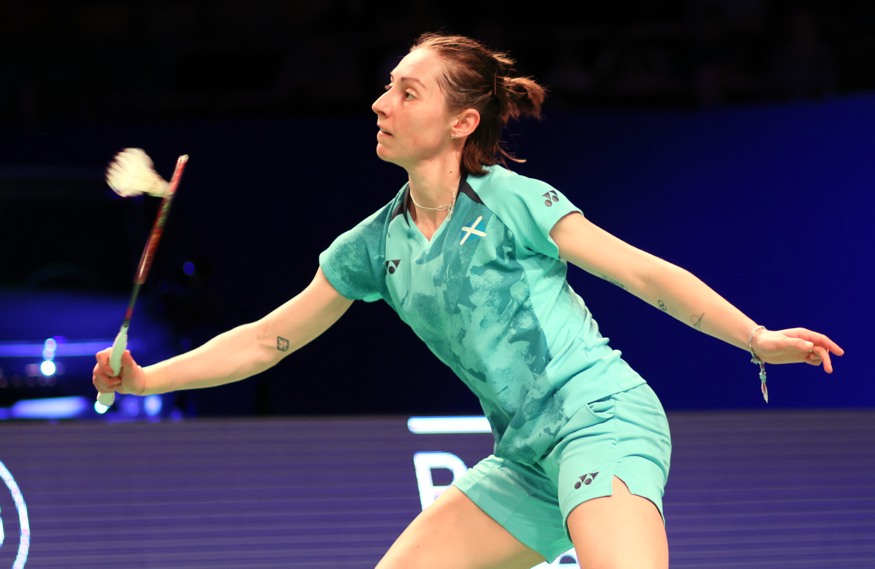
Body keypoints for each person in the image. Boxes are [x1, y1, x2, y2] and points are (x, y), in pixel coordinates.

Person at [93, 32, 844, 569]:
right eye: (387, 85)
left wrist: (754, 336)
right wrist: (147, 378)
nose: (381, 102)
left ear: (462, 123)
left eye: (406, 90)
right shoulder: (372, 247)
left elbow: (639, 272)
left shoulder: (511, 201)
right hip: (521, 461)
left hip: (599, 422)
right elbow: (266, 340)